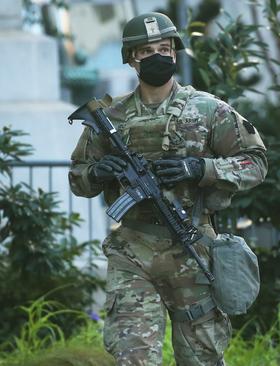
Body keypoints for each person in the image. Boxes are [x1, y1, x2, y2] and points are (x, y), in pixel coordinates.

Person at [68, 12, 267, 365]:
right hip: (133, 250)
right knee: (135, 358)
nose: (158, 56)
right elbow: (78, 179)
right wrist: (98, 173)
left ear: (175, 52)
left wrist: (200, 168)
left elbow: (255, 162)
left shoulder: (208, 109)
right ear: (131, 58)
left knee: (201, 358)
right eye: (146, 51)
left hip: (191, 246)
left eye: (164, 48)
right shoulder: (110, 118)